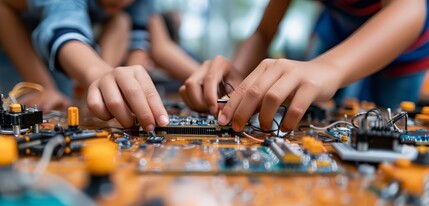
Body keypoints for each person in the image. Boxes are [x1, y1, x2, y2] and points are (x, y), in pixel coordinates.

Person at [180, 0, 429, 133]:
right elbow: (264, 33)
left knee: (391, 124)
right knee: (321, 114)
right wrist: (236, 76)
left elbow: (408, 7)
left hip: (406, 43)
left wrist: (330, 68)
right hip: (336, 33)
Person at [0, 0, 169, 131]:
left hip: (65, 70)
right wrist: (41, 84)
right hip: (16, 64)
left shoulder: (130, 8)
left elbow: (138, 42)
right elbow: (65, 28)